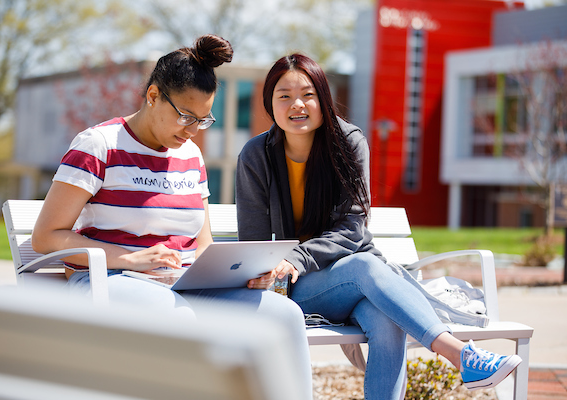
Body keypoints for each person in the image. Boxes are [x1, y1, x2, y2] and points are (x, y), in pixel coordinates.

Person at [31, 35, 313, 398]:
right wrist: (128, 258)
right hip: (109, 282)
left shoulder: (191, 157)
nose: (193, 130)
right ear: (152, 97)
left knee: (284, 315)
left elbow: (202, 243)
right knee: (176, 315)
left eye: (203, 120)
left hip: (182, 286)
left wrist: (238, 275)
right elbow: (46, 236)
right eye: (185, 116)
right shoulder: (99, 145)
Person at [235, 53, 522, 399]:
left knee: (386, 321)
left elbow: (352, 228)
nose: (297, 104)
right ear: (270, 103)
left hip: (352, 280)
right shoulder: (256, 156)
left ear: (324, 98)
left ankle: (463, 357)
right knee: (365, 266)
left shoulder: (348, 142)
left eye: (308, 94)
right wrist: (286, 266)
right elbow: (252, 241)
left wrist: (300, 256)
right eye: (284, 95)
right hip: (297, 289)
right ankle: (460, 354)